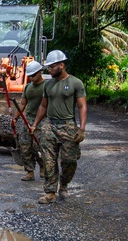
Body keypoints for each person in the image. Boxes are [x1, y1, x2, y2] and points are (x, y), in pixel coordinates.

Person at [29, 50, 87, 204]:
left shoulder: (76, 83)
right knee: (48, 160)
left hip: (68, 125)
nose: (49, 70)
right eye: (48, 67)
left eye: (52, 66)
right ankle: (50, 192)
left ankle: (64, 185)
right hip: (49, 125)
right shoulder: (48, 85)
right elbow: (43, 106)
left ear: (62, 65)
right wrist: (35, 124)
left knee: (69, 160)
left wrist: (81, 129)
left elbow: (82, 107)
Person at [11, 60, 46, 181]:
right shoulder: (28, 87)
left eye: (33, 75)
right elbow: (22, 104)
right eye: (29, 76)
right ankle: (29, 171)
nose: (31, 78)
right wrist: (15, 118)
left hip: (42, 120)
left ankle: (43, 167)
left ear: (40, 72)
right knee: (25, 146)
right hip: (28, 119)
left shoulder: (47, 86)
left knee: (38, 146)